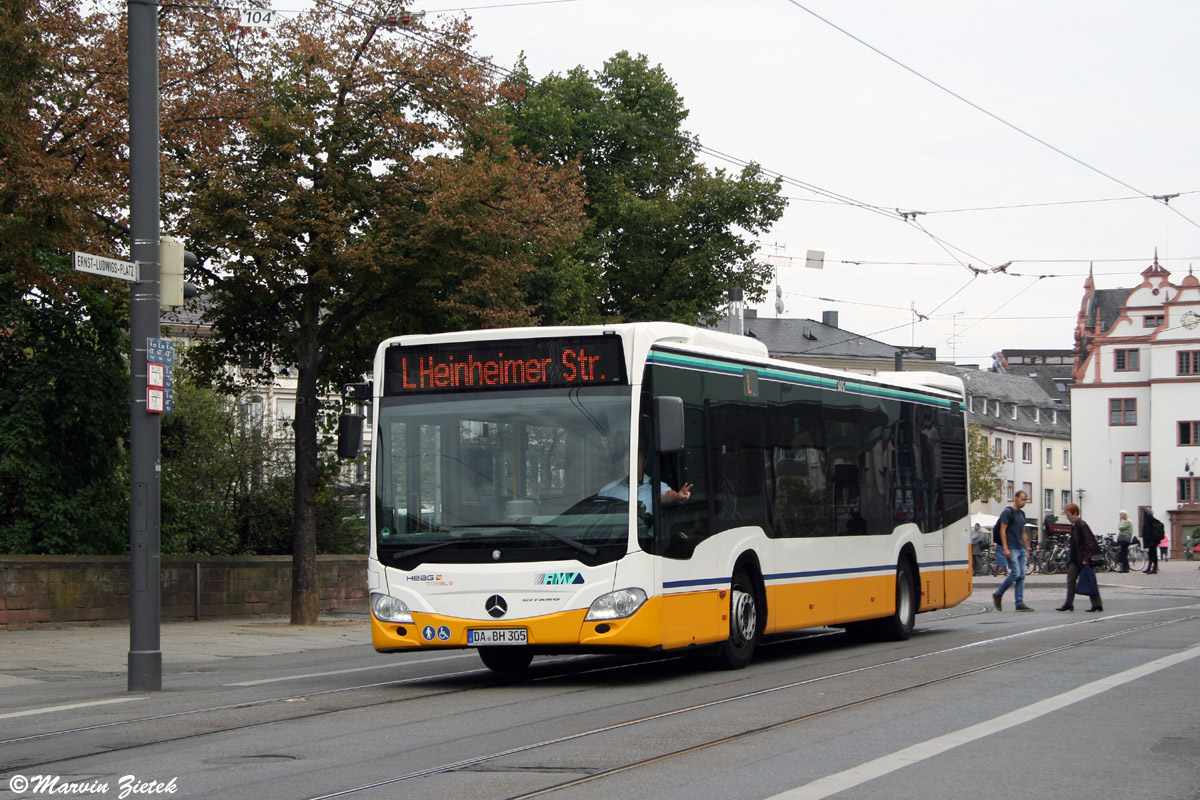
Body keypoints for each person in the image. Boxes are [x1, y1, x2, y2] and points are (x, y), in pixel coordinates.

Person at [598, 450, 692, 508]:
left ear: (644, 463)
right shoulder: (608, 490)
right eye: (626, 460)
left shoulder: (653, 485)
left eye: (634, 460)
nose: (629, 464)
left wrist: (677, 496)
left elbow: (666, 494)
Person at [992, 490, 1034, 611]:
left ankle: (1019, 603)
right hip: (1011, 547)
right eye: (1022, 499)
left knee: (1021, 576)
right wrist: (1005, 547)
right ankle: (998, 594)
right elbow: (1002, 529)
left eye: (1025, 499)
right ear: (1015, 498)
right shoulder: (1007, 512)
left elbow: (1023, 532)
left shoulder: (1022, 514)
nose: (1024, 501)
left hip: (1020, 548)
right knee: (1015, 573)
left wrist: (1027, 548)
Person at [1057, 503, 1103, 612]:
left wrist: (1086, 558)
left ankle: (1096, 604)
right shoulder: (1076, 525)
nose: (1068, 518)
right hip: (1076, 558)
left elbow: (1089, 542)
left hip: (1082, 558)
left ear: (1075, 513)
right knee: (1073, 579)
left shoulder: (1081, 525)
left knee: (1086, 580)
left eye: (1068, 515)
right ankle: (1069, 603)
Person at [1142, 508, 1162, 574]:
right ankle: (1150, 567)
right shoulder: (1149, 520)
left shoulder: (1152, 520)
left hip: (1153, 540)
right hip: (1150, 540)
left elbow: (1160, 525)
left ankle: (1154, 567)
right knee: (1151, 553)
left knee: (1153, 554)